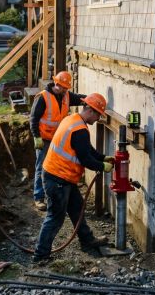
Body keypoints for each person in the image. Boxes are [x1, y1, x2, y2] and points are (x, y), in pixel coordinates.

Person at [33, 93, 112, 262]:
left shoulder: (73, 120)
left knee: (77, 208)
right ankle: (41, 255)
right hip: (57, 178)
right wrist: (102, 166)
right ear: (90, 110)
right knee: (55, 217)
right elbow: (85, 158)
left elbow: (87, 149)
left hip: (60, 176)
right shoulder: (80, 130)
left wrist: (102, 157)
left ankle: (87, 240)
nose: (98, 118)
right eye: (98, 114)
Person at [29, 71, 86, 211]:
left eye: (66, 88)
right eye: (62, 87)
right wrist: (36, 136)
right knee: (41, 167)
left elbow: (79, 99)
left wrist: (91, 99)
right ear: (56, 83)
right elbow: (33, 118)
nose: (65, 90)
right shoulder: (43, 97)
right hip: (43, 139)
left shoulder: (66, 96)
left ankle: (52, 196)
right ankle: (39, 197)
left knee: (55, 168)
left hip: (58, 139)